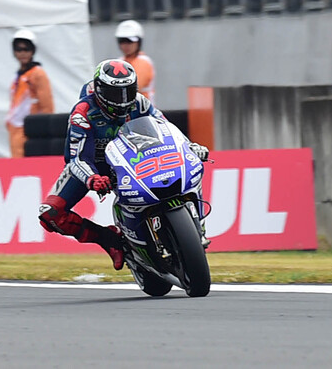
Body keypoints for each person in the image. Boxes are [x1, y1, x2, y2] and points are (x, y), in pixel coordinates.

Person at [37, 59, 209, 270]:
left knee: (189, 169)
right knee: (49, 213)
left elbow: (167, 129)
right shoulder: (82, 114)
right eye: (115, 93)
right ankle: (109, 240)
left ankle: (196, 225)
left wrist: (190, 146)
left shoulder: (140, 103)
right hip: (94, 167)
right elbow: (76, 159)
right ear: (99, 90)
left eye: (128, 91)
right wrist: (92, 178)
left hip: (135, 160)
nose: (123, 99)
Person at [5, 28, 54, 158]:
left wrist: (43, 131)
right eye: (18, 49)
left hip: (31, 129)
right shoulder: (19, 75)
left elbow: (47, 106)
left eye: (26, 49)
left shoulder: (37, 73)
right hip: (16, 128)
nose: (22, 53)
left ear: (33, 51)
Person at [115, 20, 155, 103]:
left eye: (130, 41)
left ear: (139, 42)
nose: (126, 45)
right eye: (122, 41)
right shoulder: (119, 61)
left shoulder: (143, 62)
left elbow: (134, 88)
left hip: (143, 111)